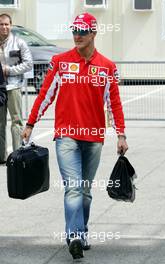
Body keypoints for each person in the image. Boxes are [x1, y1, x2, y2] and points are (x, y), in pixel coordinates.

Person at [22, 12, 128, 259]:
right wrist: (30, 122)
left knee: (86, 191)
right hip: (67, 135)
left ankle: (82, 230)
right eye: (74, 31)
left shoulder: (107, 67)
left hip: (93, 137)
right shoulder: (60, 62)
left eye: (82, 31)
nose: (77, 36)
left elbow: (114, 104)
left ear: (93, 33)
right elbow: (45, 94)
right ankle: (74, 236)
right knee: (74, 188)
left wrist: (121, 135)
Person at [0, 13, 33, 164]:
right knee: (0, 123)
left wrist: (9, 70)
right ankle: (1, 157)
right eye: (1, 24)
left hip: (13, 87)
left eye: (6, 24)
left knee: (16, 122)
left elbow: (28, 64)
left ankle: (16, 157)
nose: (4, 27)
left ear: (11, 25)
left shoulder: (19, 43)